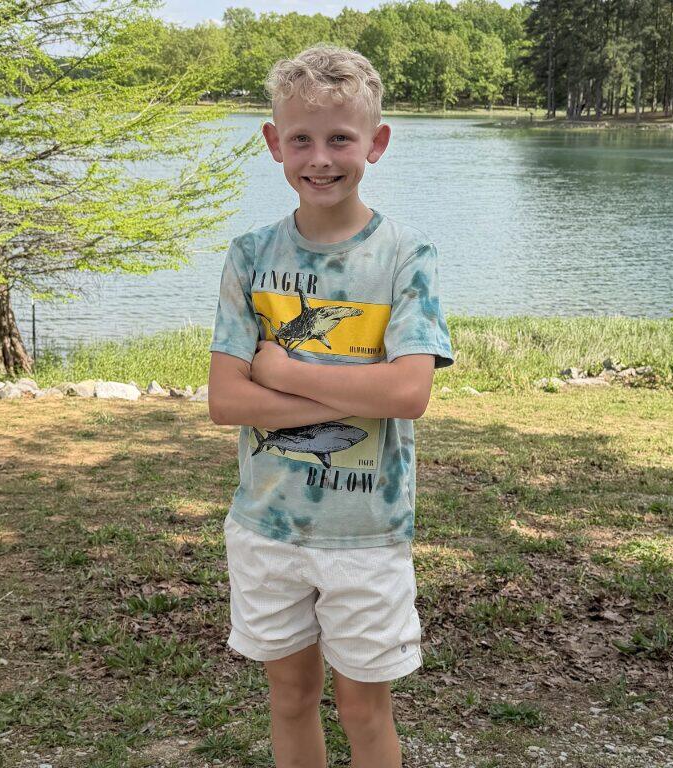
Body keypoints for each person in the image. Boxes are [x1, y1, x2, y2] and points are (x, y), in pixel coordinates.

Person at [206, 44, 454, 768]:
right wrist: (352, 392)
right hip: (267, 529)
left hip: (368, 533)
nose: (321, 157)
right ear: (274, 142)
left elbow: (408, 392)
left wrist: (281, 368)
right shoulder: (249, 255)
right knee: (289, 698)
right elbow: (226, 400)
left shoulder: (408, 255)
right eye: (302, 138)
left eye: (341, 138)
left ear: (375, 144)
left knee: (362, 710)